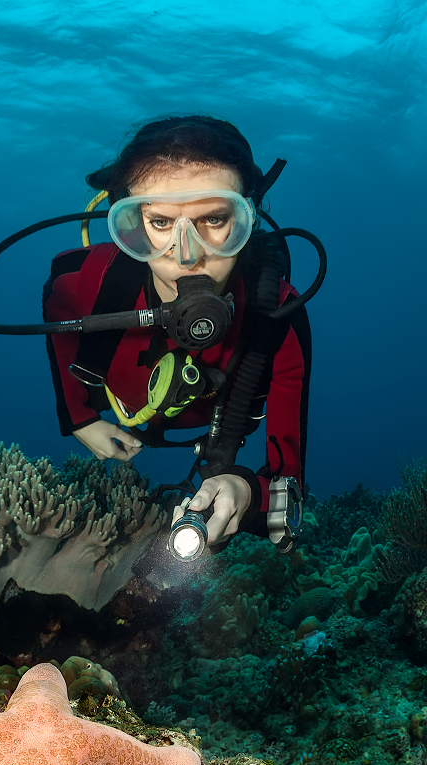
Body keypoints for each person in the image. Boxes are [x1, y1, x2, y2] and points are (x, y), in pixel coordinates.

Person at [42, 116, 314, 550]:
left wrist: (247, 492)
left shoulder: (277, 313)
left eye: (214, 218)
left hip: (216, 426)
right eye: (161, 223)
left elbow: (286, 480)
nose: (187, 256)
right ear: (132, 224)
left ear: (247, 218)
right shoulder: (85, 283)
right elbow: (57, 304)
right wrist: (79, 417)